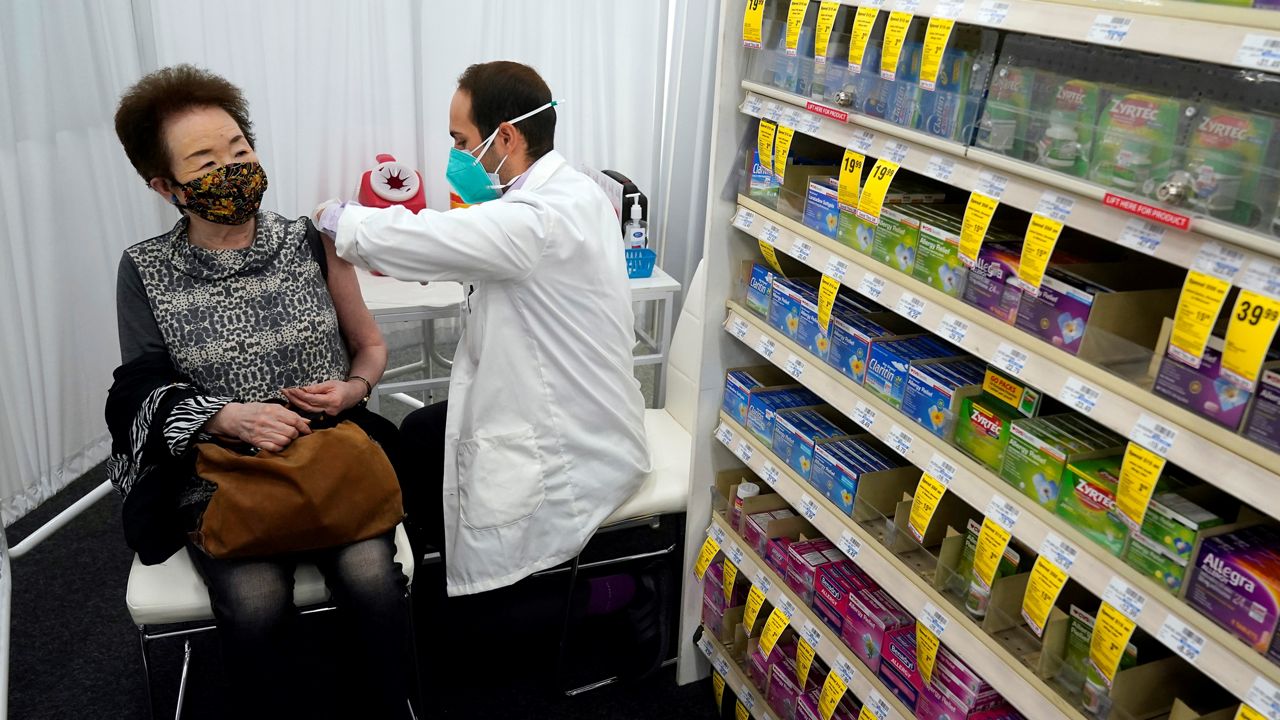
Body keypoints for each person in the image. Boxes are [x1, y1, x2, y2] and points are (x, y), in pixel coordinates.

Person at [107, 65, 415, 719]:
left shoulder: (311, 241)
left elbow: (371, 347)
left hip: (331, 456)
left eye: (239, 151)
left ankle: (389, 705)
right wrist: (225, 418)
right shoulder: (146, 270)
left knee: (372, 582)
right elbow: (140, 388)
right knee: (254, 601)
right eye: (205, 161)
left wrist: (353, 389)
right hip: (222, 473)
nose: (231, 169)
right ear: (165, 185)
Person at [315, 61, 651, 596]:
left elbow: (432, 237)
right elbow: (485, 239)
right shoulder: (571, 190)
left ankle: (620, 593)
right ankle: (436, 561)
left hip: (568, 434)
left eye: (460, 139)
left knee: (430, 458)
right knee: (423, 435)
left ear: (507, 135)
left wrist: (342, 221)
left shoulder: (537, 217)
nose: (454, 155)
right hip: (574, 400)